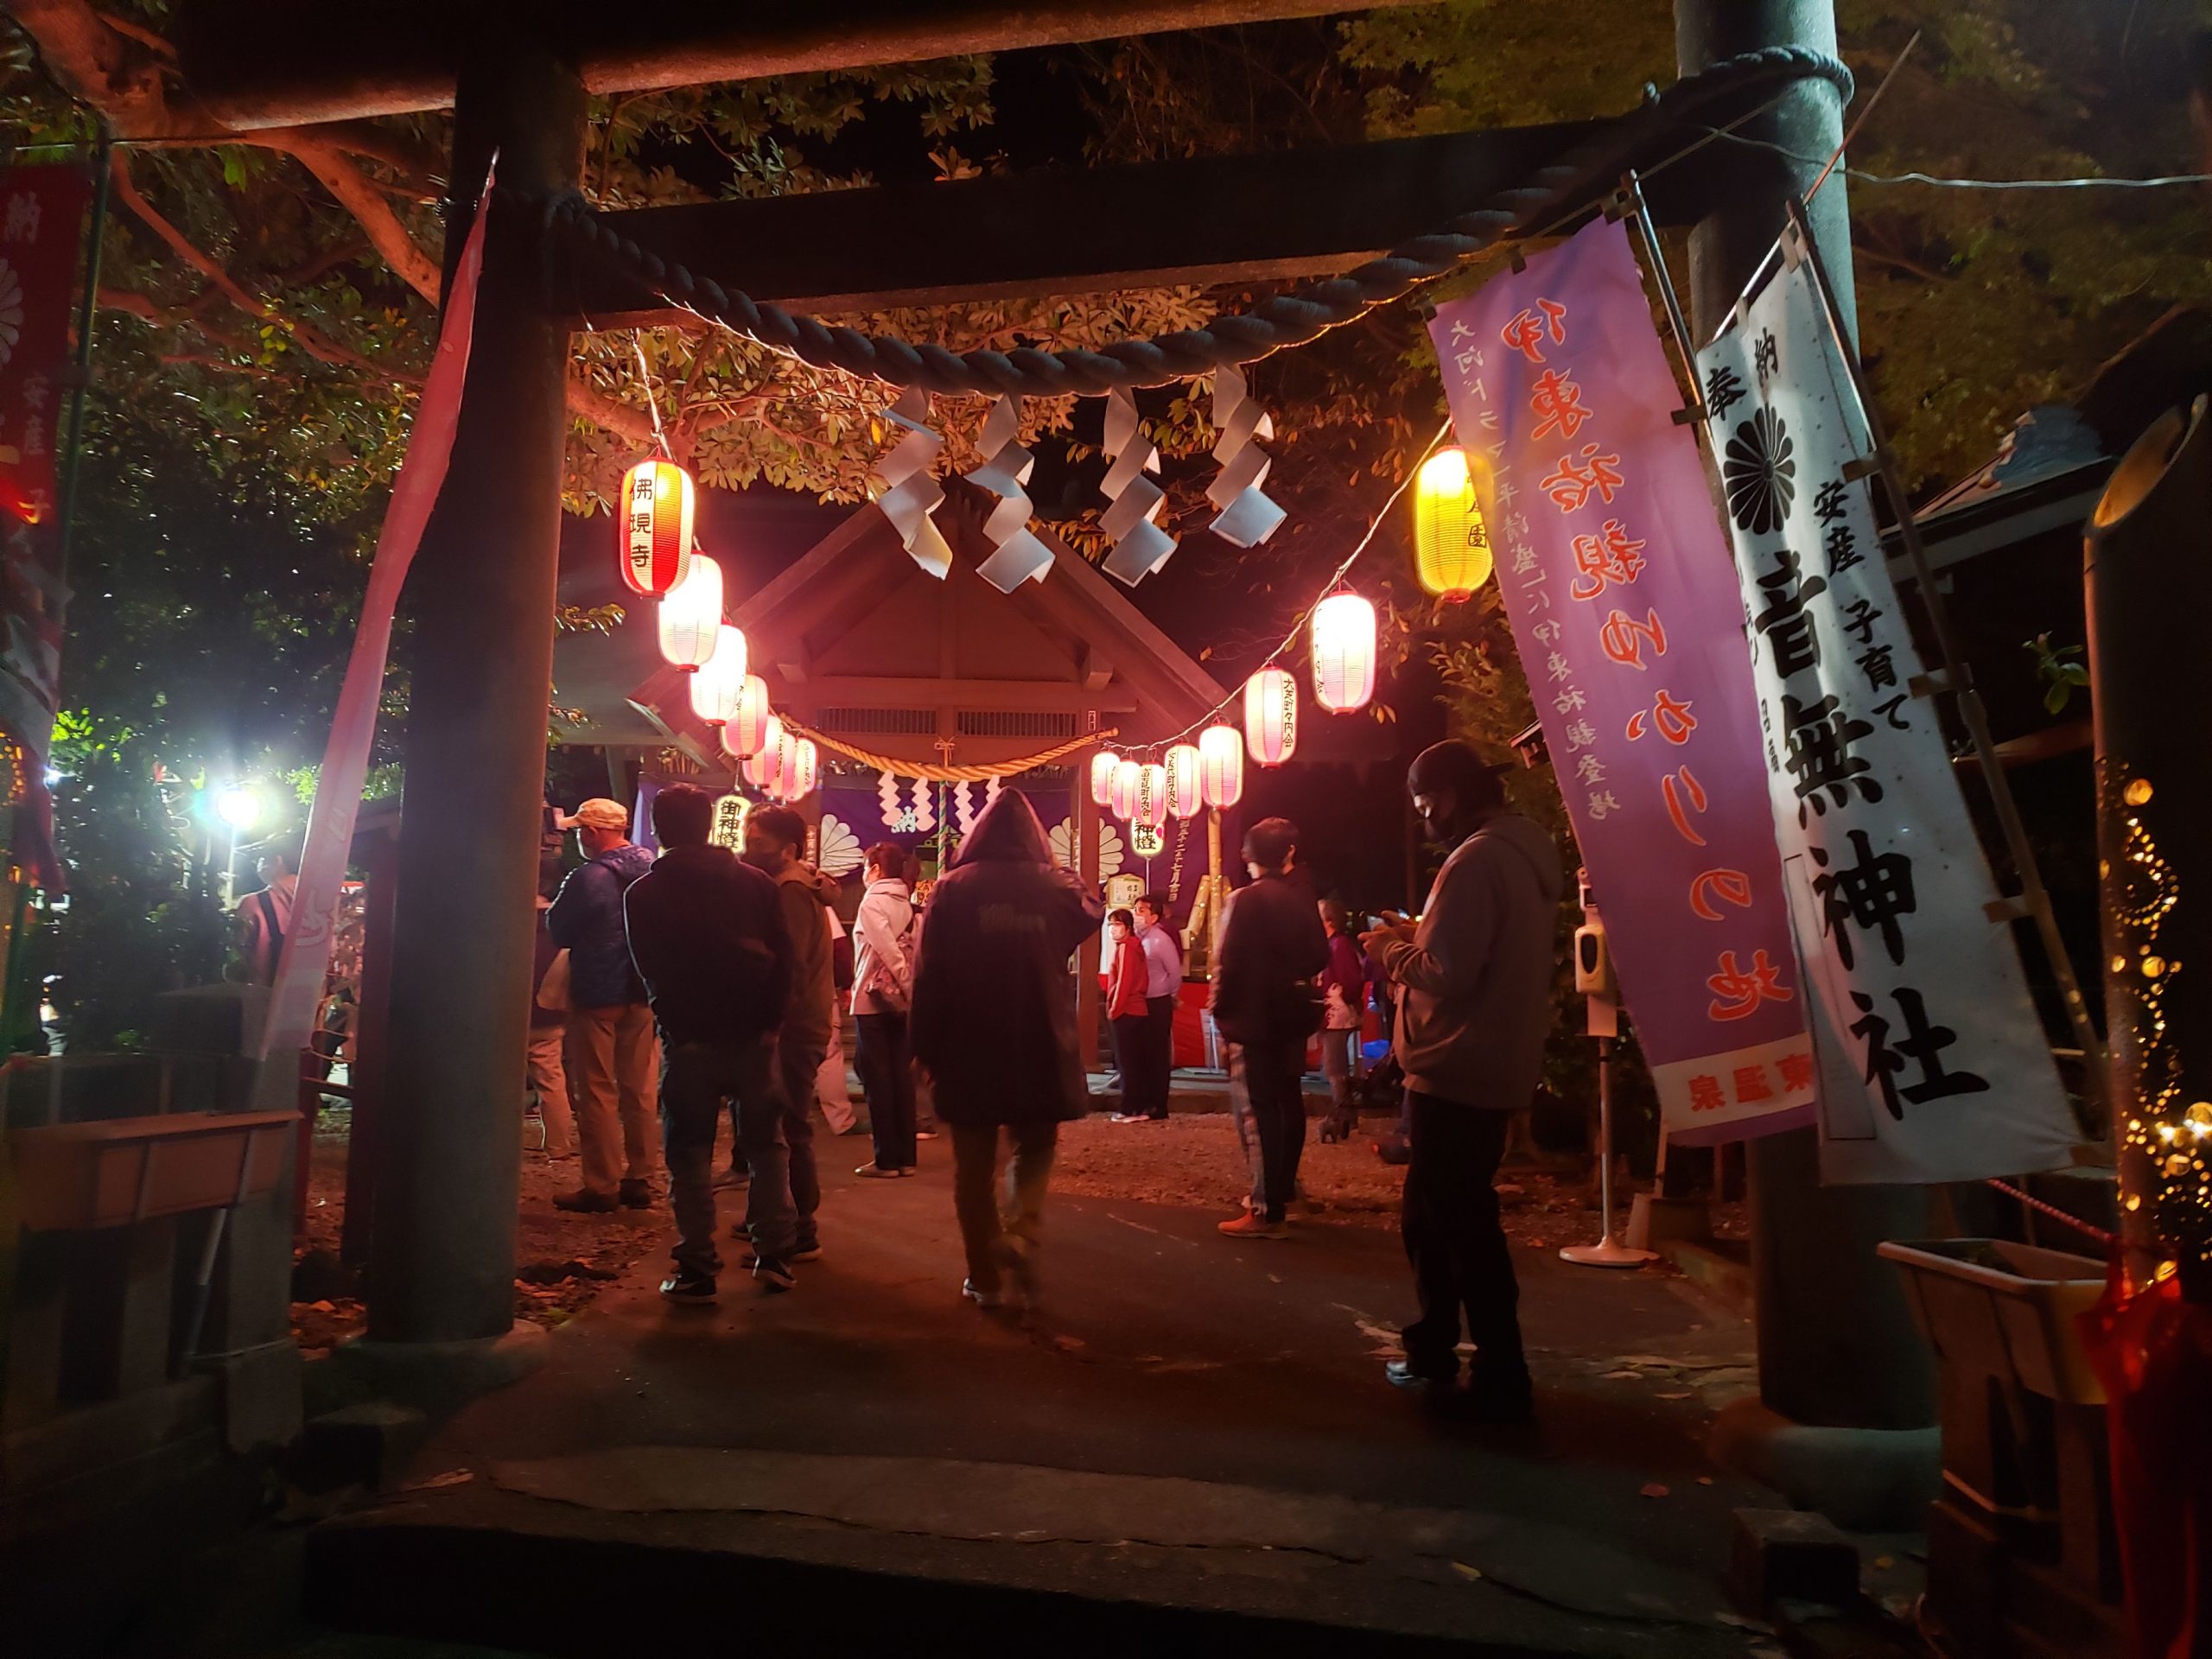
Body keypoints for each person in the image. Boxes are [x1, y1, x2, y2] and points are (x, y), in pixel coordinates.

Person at [1363, 741, 1563, 1421]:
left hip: (1456, 1065)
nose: (1425, 817)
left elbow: (1445, 972)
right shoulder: (1523, 850)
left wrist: (1390, 948)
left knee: (1451, 1225)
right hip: (1493, 1059)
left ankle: (1488, 1367)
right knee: (1449, 1217)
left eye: (1426, 803)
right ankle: (1451, 1351)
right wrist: (1420, 935)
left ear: (1450, 796)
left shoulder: (1475, 860)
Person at [909, 791, 1100, 1311]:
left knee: (973, 1169)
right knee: (1034, 1147)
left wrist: (923, 1048)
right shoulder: (1059, 888)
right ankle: (1020, 1232)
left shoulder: (950, 889)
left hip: (967, 1044)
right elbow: (1090, 908)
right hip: (1041, 1040)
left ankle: (985, 1279)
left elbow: (928, 976)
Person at [623, 783, 793, 1301]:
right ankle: (774, 1255)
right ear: (710, 825)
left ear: (659, 829)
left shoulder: (643, 894)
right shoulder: (756, 884)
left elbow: (650, 970)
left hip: (690, 1039)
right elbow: (785, 959)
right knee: (767, 1147)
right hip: (754, 1035)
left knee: (690, 1153)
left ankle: (698, 1267)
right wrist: (771, 1022)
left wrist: (675, 1025)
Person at [1211, 819, 1328, 1240]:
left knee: (1255, 1115)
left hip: (1251, 1020)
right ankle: (1280, 1195)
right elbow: (1318, 956)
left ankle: (1265, 1209)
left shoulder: (1243, 900)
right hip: (1287, 1020)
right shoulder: (1298, 899)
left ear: (1247, 856)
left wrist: (1220, 1013)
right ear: (1287, 854)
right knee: (1280, 1107)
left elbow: (1225, 963)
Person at [547, 798, 659, 1214]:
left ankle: (602, 1184)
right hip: (644, 990)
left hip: (597, 990)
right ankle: (641, 1177)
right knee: (641, 1087)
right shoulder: (653, 868)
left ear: (593, 832)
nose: (579, 837)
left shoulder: (587, 877)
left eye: (581, 830)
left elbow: (559, 929)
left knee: (596, 1089)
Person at [741, 804, 833, 1271]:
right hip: (795, 1021)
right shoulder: (790, 884)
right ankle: (774, 1216)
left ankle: (801, 1229)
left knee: (790, 1126)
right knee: (778, 1124)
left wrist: (771, 1023)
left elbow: (788, 966)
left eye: (757, 842)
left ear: (789, 849)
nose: (748, 848)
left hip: (793, 1026)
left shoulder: (791, 891)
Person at [851, 841, 918, 1178]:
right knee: (900, 1077)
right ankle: (906, 1157)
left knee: (878, 1079)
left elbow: (887, 950)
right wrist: (911, 992)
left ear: (876, 869)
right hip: (902, 1005)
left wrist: (904, 983)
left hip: (873, 1000)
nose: (864, 874)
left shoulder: (872, 902)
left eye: (866, 868)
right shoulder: (908, 904)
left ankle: (886, 1159)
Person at [1111, 893, 1181, 1123]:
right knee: (1140, 1054)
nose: (1137, 914)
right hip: (1140, 1002)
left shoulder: (1161, 940)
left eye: (1142, 911)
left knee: (1157, 1055)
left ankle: (1158, 1105)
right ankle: (1142, 1102)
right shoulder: (1135, 939)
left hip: (1157, 1000)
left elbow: (1174, 973)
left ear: (1154, 917)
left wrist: (1169, 995)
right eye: (1135, 909)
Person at [527, 851, 576, 1159]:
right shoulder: (561, 925)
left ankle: (496, 1144)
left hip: (507, 1016)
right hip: (550, 1014)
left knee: (500, 1082)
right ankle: (558, 1146)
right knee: (552, 1080)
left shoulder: (505, 920)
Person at [1318, 899, 1367, 1141]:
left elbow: (1351, 980)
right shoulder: (1332, 945)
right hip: (1333, 1014)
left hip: (1338, 1016)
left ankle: (1342, 1116)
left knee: (1335, 1068)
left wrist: (1342, 998)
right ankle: (1346, 1116)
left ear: (1329, 920)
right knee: (1335, 1067)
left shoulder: (1339, 945)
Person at [1103, 907, 1149, 1103]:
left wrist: (1115, 1010)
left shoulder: (1125, 948)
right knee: (1134, 1062)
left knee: (1127, 1063)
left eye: (1117, 924)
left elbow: (1124, 981)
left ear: (1128, 927)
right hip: (1138, 1010)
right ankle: (1138, 1105)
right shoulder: (1135, 946)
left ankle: (1129, 1107)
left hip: (1127, 1010)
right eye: (1110, 924)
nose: (1113, 928)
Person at [233, 848, 297, 985]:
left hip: (263, 992)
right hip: (311, 993)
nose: (257, 866)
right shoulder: (319, 904)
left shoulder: (253, 903)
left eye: (260, 860)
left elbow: (236, 957)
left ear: (278, 860)